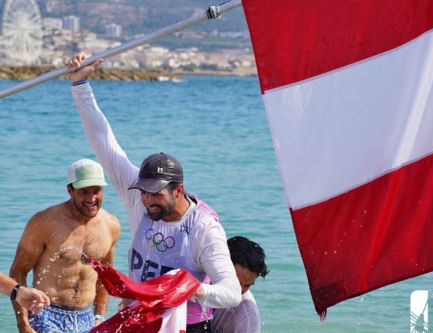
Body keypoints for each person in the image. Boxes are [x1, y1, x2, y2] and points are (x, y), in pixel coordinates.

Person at [67, 54, 240, 333]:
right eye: (144, 193)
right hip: (139, 317)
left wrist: (188, 288)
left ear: (178, 190)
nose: (147, 200)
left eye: (156, 194)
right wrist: (80, 84)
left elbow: (231, 293)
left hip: (185, 325)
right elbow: (103, 141)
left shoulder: (204, 228)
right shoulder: (139, 198)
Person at [10, 159, 121, 333]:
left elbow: (104, 277)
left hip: (87, 318)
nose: (91, 198)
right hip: (45, 314)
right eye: (84, 191)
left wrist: (100, 318)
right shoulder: (45, 222)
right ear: (70, 190)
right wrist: (24, 324)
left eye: (96, 191)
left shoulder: (111, 225)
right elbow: (18, 271)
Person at [211, 236, 269, 333]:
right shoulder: (203, 276)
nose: (239, 290)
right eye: (236, 282)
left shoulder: (247, 316)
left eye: (247, 285)